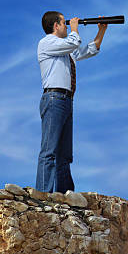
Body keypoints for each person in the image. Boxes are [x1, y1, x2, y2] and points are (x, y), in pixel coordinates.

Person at [36, 11, 107, 193]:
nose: (67, 26)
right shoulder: (47, 43)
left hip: (66, 100)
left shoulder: (65, 49)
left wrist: (102, 31)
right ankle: (43, 195)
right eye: (64, 22)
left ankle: (64, 195)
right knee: (49, 151)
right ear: (56, 25)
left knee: (65, 154)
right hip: (54, 98)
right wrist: (75, 28)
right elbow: (74, 42)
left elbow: (90, 50)